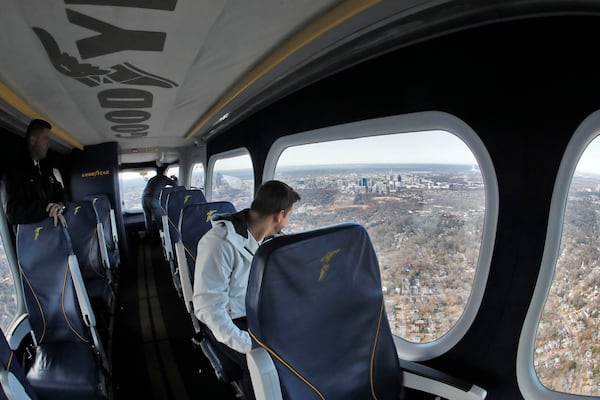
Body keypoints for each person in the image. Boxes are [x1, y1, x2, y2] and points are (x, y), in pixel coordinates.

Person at [192, 180, 301, 399]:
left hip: (258, 314)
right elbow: (208, 308)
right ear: (280, 215)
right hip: (230, 322)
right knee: (262, 365)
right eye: (289, 215)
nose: (288, 221)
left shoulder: (270, 241)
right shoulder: (219, 244)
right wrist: (247, 344)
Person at [5, 119, 67, 227]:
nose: (48, 144)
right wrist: (48, 210)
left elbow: (61, 193)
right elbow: (13, 213)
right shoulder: (15, 170)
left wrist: (59, 205)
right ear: (33, 140)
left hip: (52, 231)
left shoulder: (46, 169)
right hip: (32, 236)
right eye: (46, 138)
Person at [141, 164, 178, 237]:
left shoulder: (152, 178)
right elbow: (175, 185)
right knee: (160, 220)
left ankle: (150, 237)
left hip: (143, 199)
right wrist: (175, 178)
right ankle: (163, 238)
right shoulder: (164, 178)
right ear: (164, 171)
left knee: (148, 220)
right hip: (152, 199)